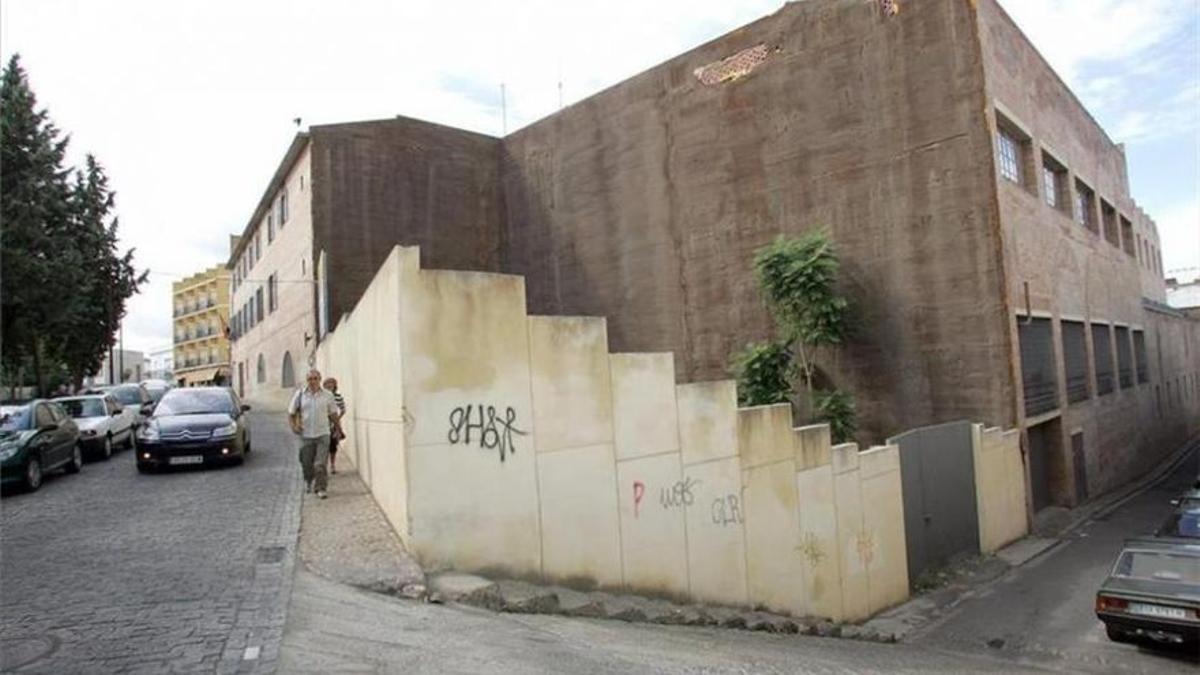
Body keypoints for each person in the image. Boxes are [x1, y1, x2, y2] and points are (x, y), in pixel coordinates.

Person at [288, 369, 341, 499]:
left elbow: (333, 414)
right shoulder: (300, 394)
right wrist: (294, 426)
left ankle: (321, 488)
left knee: (320, 464)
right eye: (310, 379)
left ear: (319, 379)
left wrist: (338, 429)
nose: (312, 381)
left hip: (323, 434)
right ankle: (308, 480)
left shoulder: (328, 395)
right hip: (306, 435)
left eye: (315, 378)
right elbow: (291, 412)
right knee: (306, 463)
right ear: (307, 381)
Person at [323, 377, 346, 474]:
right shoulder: (322, 396)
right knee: (323, 446)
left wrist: (337, 420)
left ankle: (332, 465)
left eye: (331, 384)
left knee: (333, 446)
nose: (330, 386)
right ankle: (323, 466)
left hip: (333, 425)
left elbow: (343, 409)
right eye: (328, 384)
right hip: (323, 424)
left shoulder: (337, 396)